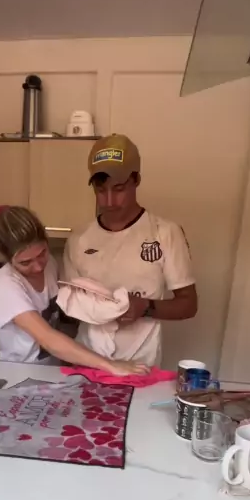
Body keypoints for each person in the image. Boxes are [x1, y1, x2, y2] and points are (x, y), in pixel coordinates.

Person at [63, 133, 197, 366]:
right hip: (88, 363)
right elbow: (71, 307)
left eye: (119, 189)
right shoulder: (78, 239)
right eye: (101, 190)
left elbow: (188, 305)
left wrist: (145, 308)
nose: (109, 201)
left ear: (136, 180)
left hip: (140, 365)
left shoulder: (165, 233)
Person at [0, 205, 148, 376]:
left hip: (50, 374)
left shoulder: (50, 265)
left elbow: (64, 314)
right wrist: (110, 365)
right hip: (17, 377)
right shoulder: (6, 285)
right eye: (25, 263)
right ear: (7, 259)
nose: (38, 266)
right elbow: (47, 338)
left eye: (42, 253)